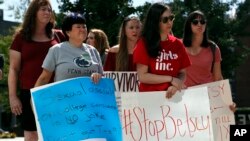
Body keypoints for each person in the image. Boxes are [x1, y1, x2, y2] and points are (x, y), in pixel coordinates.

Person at [8, 0, 65, 140]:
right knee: (31, 135)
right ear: (34, 12)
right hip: (29, 93)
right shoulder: (21, 37)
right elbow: (13, 69)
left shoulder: (59, 36)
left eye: (49, 10)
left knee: (54, 135)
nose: (47, 12)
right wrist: (13, 97)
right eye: (43, 9)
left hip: (55, 92)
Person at [133, 3, 191, 98]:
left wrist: (175, 85)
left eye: (171, 18)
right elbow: (142, 76)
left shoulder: (178, 44)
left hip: (174, 97)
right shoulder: (143, 43)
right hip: (150, 100)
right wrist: (171, 79)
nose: (169, 22)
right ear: (155, 22)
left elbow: (183, 73)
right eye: (165, 20)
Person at [182, 10, 236, 112]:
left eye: (202, 22)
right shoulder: (179, 46)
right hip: (186, 99)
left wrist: (228, 101)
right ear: (189, 25)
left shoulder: (213, 48)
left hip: (209, 98)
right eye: (195, 22)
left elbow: (218, 77)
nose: (199, 24)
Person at [35, 12, 103, 88]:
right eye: (78, 27)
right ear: (68, 32)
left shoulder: (93, 51)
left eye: (84, 27)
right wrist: (33, 98)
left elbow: (102, 77)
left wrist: (98, 76)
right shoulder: (57, 50)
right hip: (64, 98)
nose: (82, 29)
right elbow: (44, 78)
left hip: (91, 99)